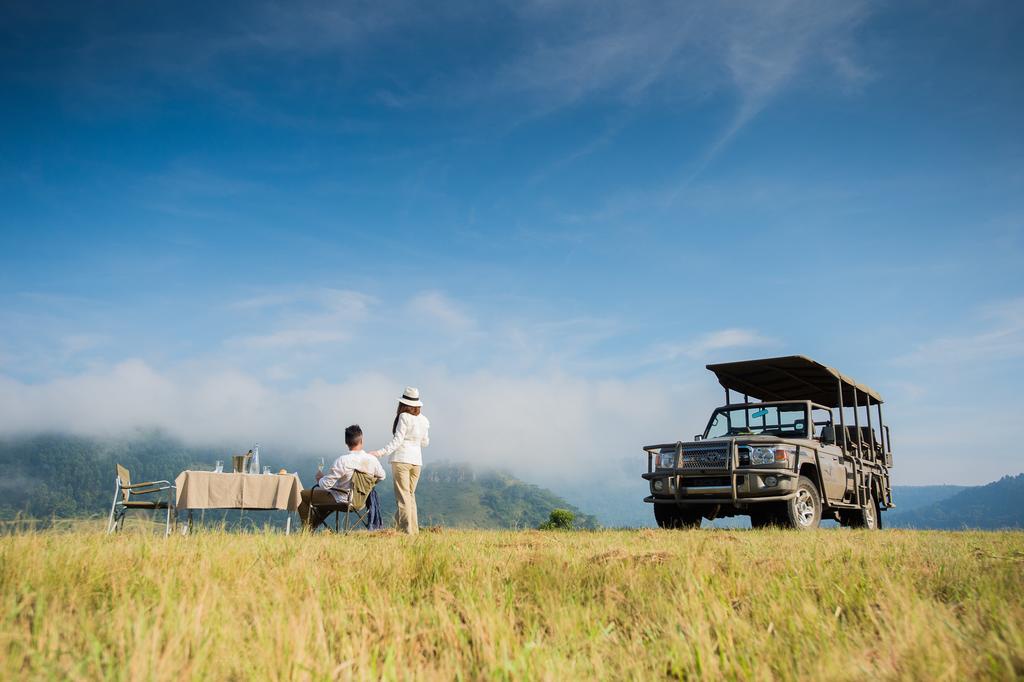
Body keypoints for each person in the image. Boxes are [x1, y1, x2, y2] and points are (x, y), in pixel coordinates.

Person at [299, 424, 385, 531]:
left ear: (346, 443)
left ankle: (306, 530)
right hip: (361, 502)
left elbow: (325, 485)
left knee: (302, 495)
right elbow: (382, 476)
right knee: (323, 502)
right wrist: (367, 486)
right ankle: (311, 527)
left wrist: (320, 479)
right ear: (362, 440)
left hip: (341, 500)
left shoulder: (343, 461)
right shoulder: (372, 460)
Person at [370, 386, 430, 535]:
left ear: (403, 403)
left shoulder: (404, 417)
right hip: (417, 462)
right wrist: (415, 439)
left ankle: (405, 531)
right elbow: (425, 442)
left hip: (402, 459)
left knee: (403, 497)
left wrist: (380, 453)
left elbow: (397, 440)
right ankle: (414, 531)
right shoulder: (424, 420)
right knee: (410, 496)